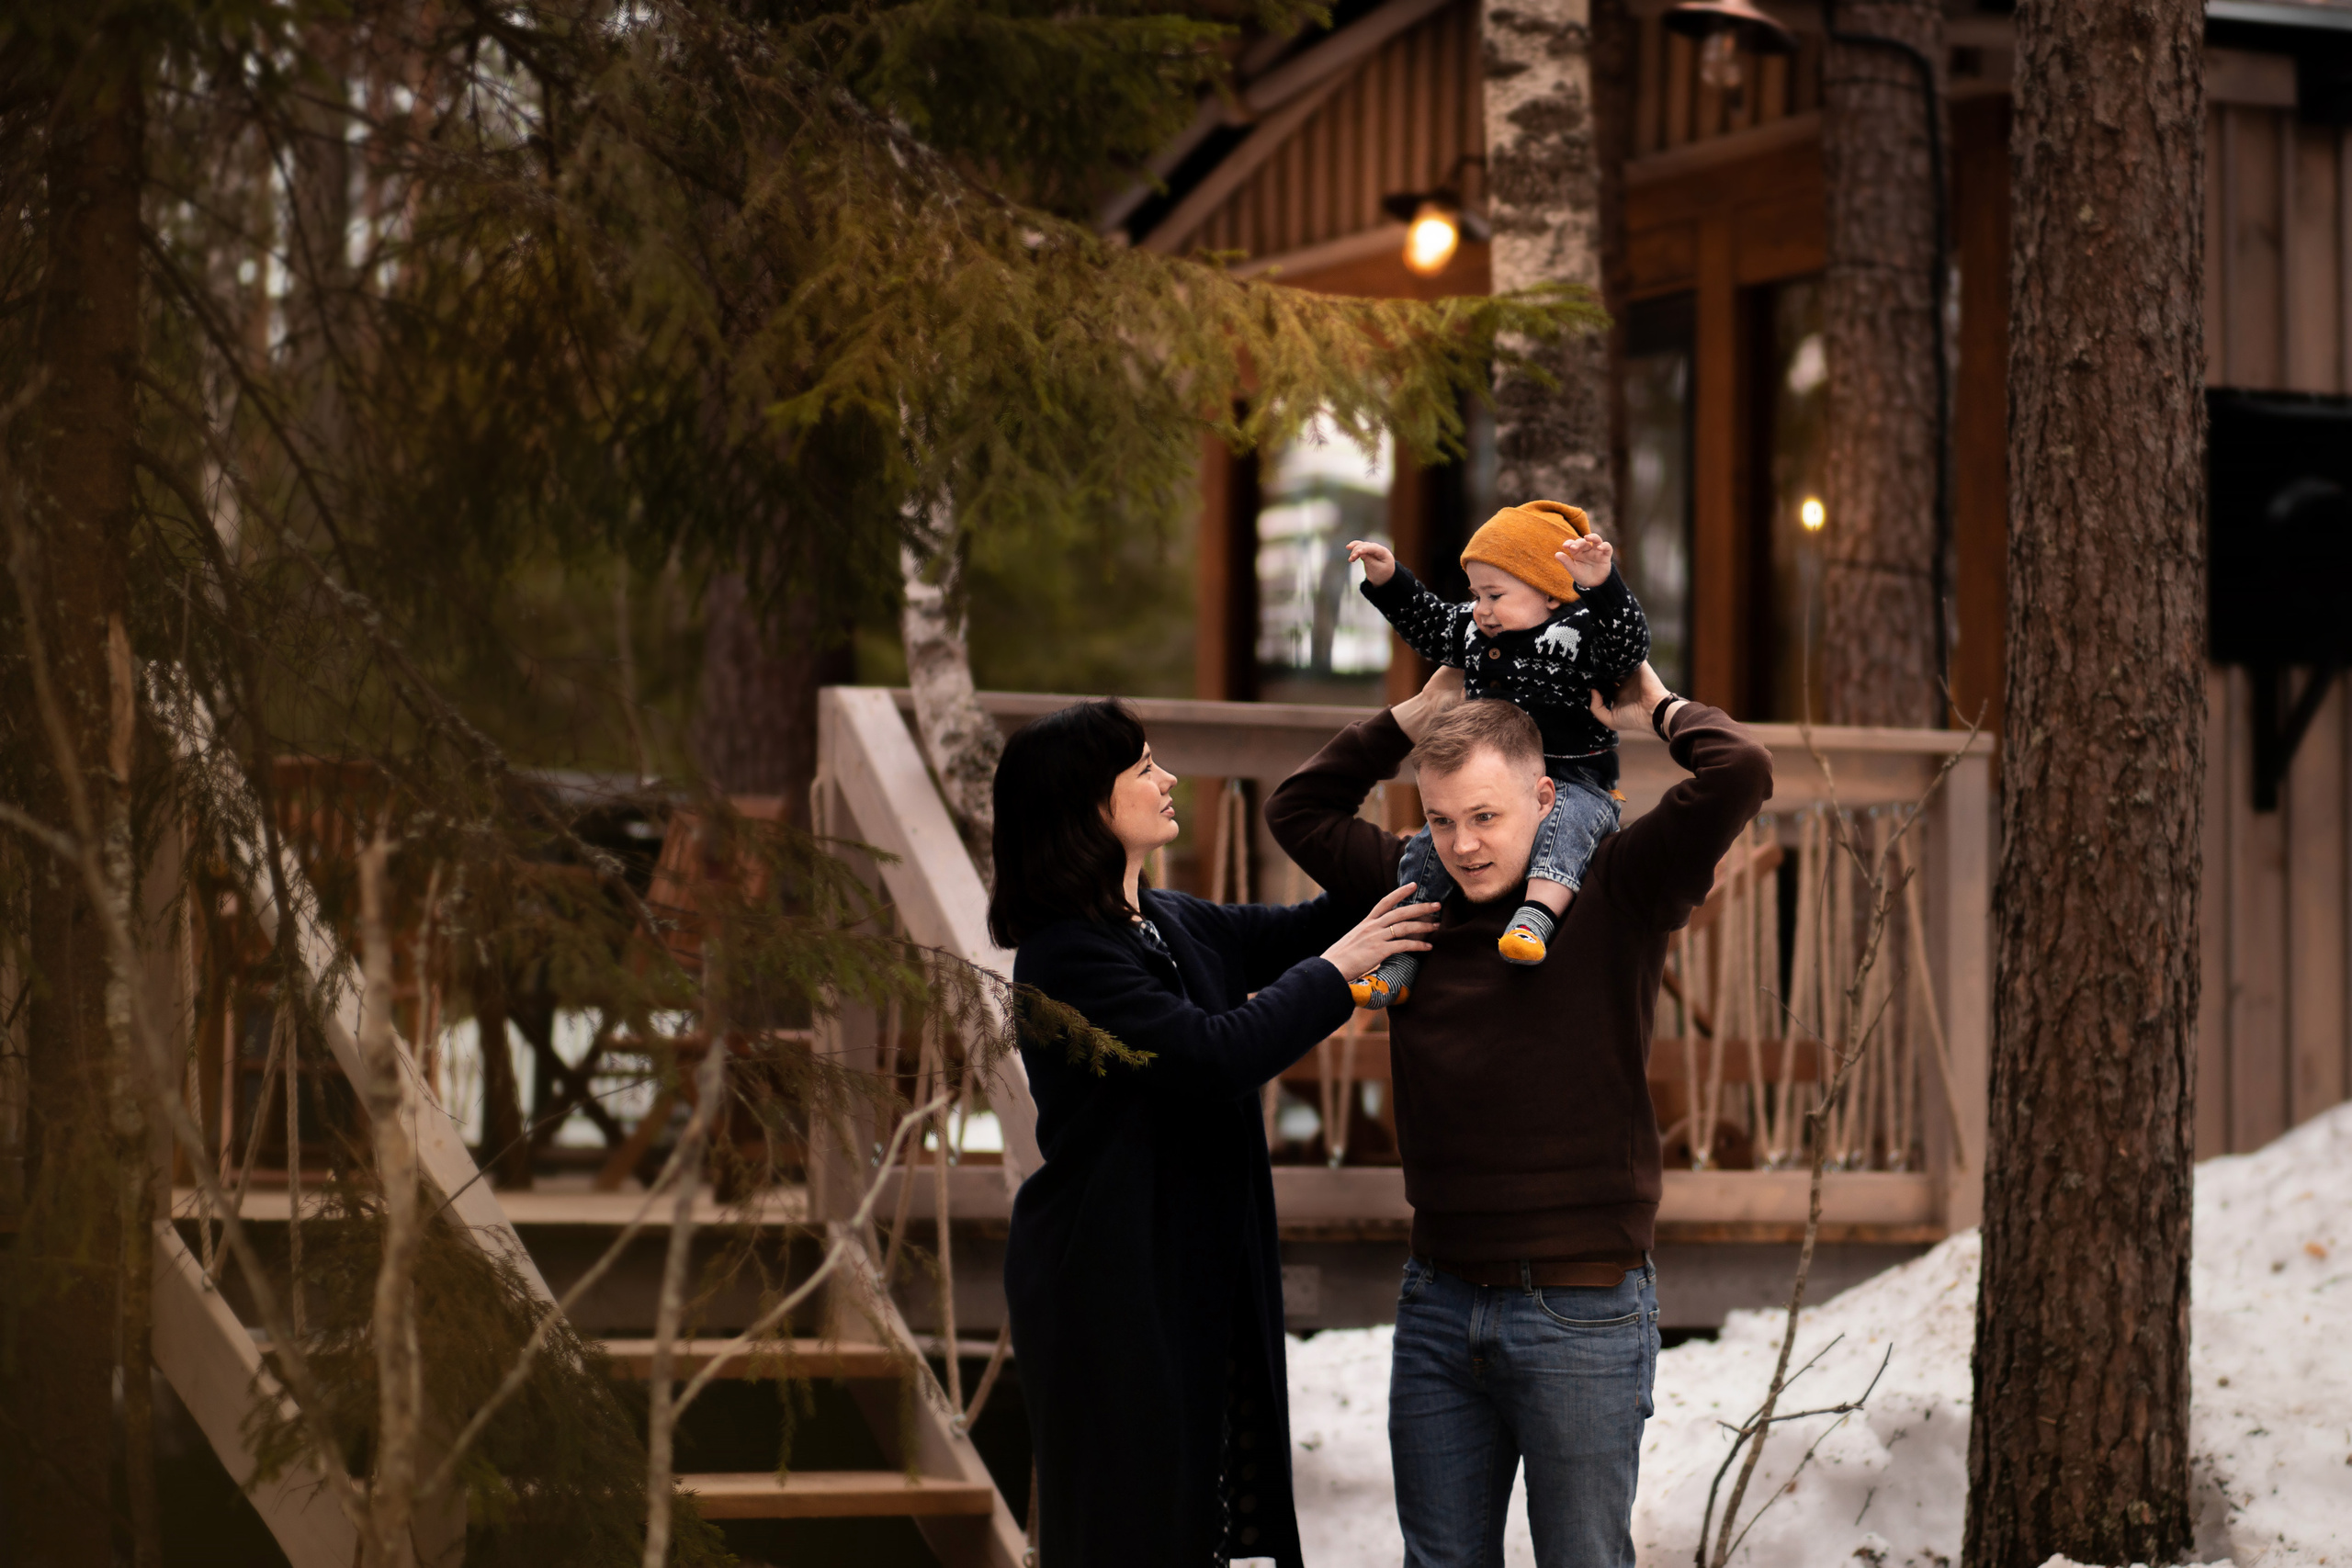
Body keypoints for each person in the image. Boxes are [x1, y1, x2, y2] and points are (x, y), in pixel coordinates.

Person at [1265, 662, 1773, 1568]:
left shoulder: (1618, 885)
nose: (1463, 845)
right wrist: (1408, 717)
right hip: (1438, 1294)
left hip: (1579, 1303)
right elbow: (1297, 810)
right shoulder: (1416, 890)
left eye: (1486, 817)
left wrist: (1650, 701)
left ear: (1545, 798)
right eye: (1441, 819)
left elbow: (1738, 770)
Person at [991, 698, 1441, 1568]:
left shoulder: (1171, 923)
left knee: (1201, 1515)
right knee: (1134, 1523)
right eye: (1144, 769)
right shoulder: (1064, 956)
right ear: (1088, 803)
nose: (1168, 781)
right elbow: (1210, 1055)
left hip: (1192, 1261)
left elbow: (1319, 921)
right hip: (1108, 1276)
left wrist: (1413, 743)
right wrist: (1340, 974)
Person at [1342, 498, 1648, 1009]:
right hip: (1491, 779)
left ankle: (1536, 918)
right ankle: (1401, 961)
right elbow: (1431, 623)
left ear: (1551, 594)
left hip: (1575, 778)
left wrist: (1602, 583)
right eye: (1476, 594)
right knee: (1423, 851)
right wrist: (1389, 579)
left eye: (1495, 594)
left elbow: (1627, 647)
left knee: (1567, 825)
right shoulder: (1473, 629)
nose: (1481, 608)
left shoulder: (1577, 629)